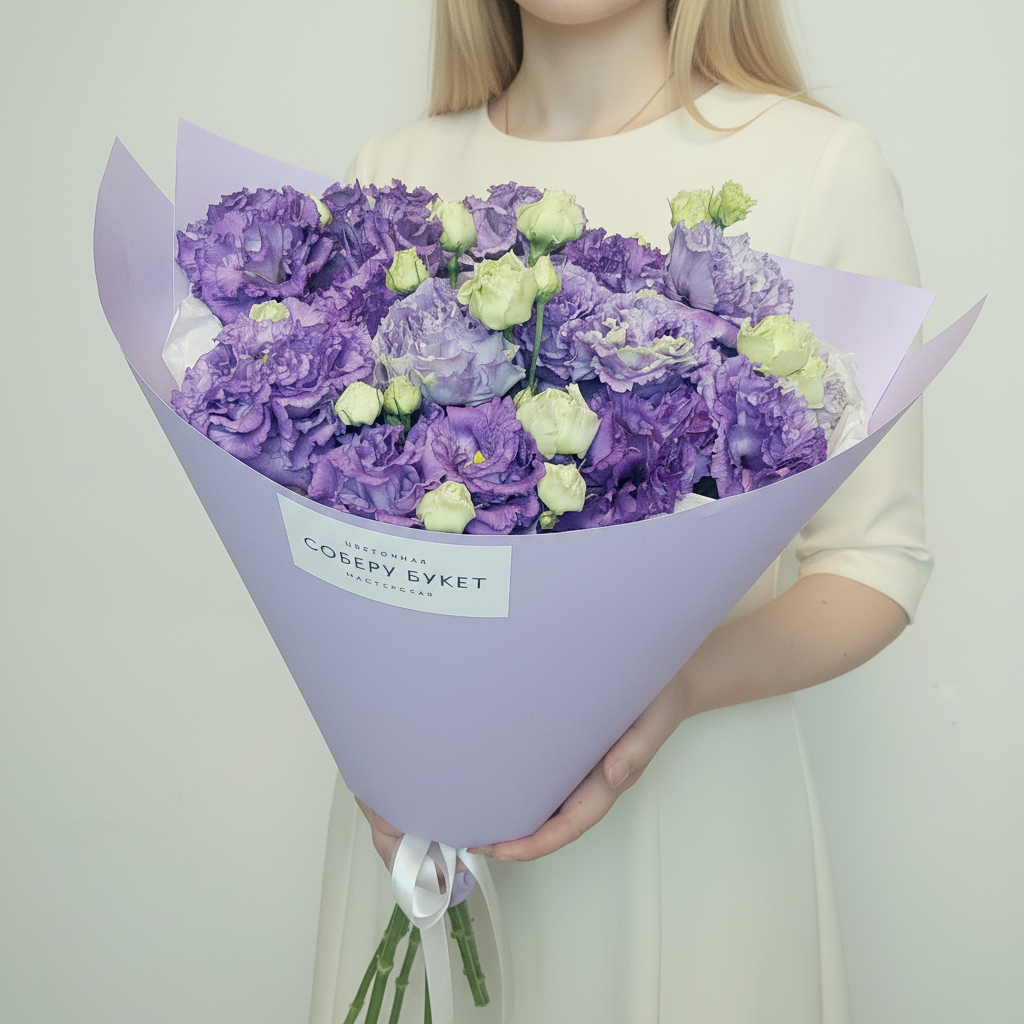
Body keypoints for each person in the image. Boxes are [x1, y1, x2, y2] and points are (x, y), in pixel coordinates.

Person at [308, 2, 932, 1021]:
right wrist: (378, 731)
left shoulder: (814, 165)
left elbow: (876, 561)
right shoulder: (396, 169)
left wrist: (675, 689)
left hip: (688, 834)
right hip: (417, 827)